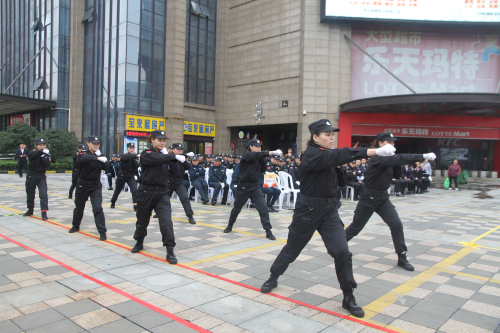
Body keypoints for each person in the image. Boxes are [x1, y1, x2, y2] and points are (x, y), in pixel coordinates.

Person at [260, 119, 396, 318]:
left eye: (333, 134)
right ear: (315, 137)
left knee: (342, 252)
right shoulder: (312, 155)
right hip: (307, 212)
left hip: (329, 211)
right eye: (327, 134)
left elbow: (339, 170)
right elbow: (339, 154)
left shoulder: (329, 157)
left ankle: (348, 296)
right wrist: (374, 151)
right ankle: (274, 276)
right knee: (292, 249)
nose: (331, 137)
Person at [345, 132, 436, 272]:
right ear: (380, 143)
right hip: (369, 198)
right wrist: (422, 156)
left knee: (396, 224)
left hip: (383, 198)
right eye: (389, 142)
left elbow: (397, 173)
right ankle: (338, 247)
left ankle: (402, 257)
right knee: (356, 227)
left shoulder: (390, 159)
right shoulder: (376, 158)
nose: (392, 145)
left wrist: (395, 160)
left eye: (393, 143)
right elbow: (399, 159)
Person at [131, 130, 180, 264]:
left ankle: (170, 250)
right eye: (159, 140)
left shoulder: (165, 156)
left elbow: (175, 171)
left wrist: (174, 160)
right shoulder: (146, 154)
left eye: (164, 140)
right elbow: (156, 158)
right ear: (152, 140)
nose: (162, 142)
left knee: (166, 222)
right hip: (146, 193)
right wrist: (171, 156)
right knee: (142, 221)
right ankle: (139, 241)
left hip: (162, 193)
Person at [223, 139, 281, 240]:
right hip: (243, 187)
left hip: (255, 187)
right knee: (237, 209)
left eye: (260, 147)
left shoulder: (259, 157)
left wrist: (262, 159)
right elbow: (254, 156)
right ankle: (230, 225)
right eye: (256, 146)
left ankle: (268, 231)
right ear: (251, 147)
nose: (259, 148)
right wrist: (271, 152)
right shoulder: (246, 155)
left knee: (263, 209)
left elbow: (263, 169)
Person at [69, 136, 109, 241]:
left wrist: (100, 157)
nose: (96, 145)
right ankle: (75, 225)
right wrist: (97, 158)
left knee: (97, 208)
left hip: (95, 185)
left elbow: (106, 166)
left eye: (97, 144)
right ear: (88, 144)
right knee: (79, 207)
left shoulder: (100, 155)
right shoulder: (83, 153)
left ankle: (102, 231)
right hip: (82, 185)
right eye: (93, 143)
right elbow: (81, 159)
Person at [167, 143, 196, 224]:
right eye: (177, 149)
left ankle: (190, 216)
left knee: (184, 198)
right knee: (164, 199)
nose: (179, 151)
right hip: (169, 182)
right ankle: (159, 213)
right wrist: (178, 157)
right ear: (173, 150)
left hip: (179, 181)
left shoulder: (182, 157)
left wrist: (184, 161)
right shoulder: (169, 158)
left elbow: (188, 167)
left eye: (181, 150)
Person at [23, 138, 51, 220]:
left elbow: (47, 165)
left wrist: (44, 156)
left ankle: (44, 212)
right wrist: (41, 152)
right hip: (31, 176)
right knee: (30, 194)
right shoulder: (33, 152)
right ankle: (30, 209)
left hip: (41, 176)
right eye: (40, 145)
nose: (42, 147)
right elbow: (32, 156)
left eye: (44, 145)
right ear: (36, 146)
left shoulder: (46, 154)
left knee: (43, 195)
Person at [110, 143, 140, 211]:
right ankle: (113, 202)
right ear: (127, 148)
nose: (132, 149)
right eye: (130, 148)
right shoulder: (124, 156)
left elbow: (138, 165)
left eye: (133, 148)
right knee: (117, 190)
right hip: (122, 175)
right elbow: (125, 158)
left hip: (130, 175)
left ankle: (135, 204)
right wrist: (135, 155)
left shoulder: (135, 157)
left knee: (134, 190)